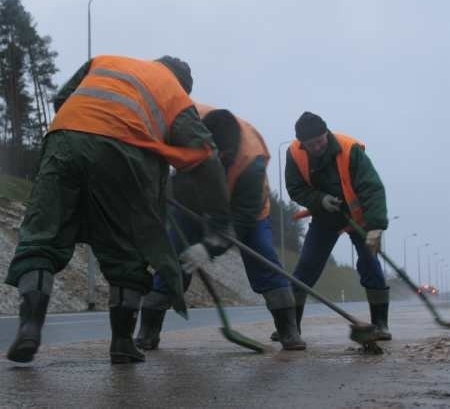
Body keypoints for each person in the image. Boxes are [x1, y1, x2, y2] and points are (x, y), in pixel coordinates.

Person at [4, 55, 232, 364]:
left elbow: (61, 99)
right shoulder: (175, 94)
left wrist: (87, 135)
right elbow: (206, 156)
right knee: (125, 250)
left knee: (42, 237)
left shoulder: (105, 61)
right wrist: (218, 222)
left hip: (64, 140)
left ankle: (30, 325)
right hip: (122, 155)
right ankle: (122, 343)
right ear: (184, 85)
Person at [135, 104, 306, 352]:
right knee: (171, 259)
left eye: (218, 157)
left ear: (228, 152)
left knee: (263, 257)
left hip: (244, 211)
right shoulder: (186, 122)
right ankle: (148, 331)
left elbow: (243, 219)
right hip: (192, 203)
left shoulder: (251, 161)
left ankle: (288, 330)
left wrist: (209, 246)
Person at [276, 111, 391, 346]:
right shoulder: (294, 153)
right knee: (306, 267)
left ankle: (380, 324)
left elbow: (372, 188)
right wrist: (319, 200)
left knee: (369, 264)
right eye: (311, 144)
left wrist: (375, 227)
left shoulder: (350, 150)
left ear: (326, 133)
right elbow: (295, 188)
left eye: (320, 141)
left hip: (359, 219)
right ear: (302, 143)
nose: (317, 147)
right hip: (326, 217)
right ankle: (290, 329)